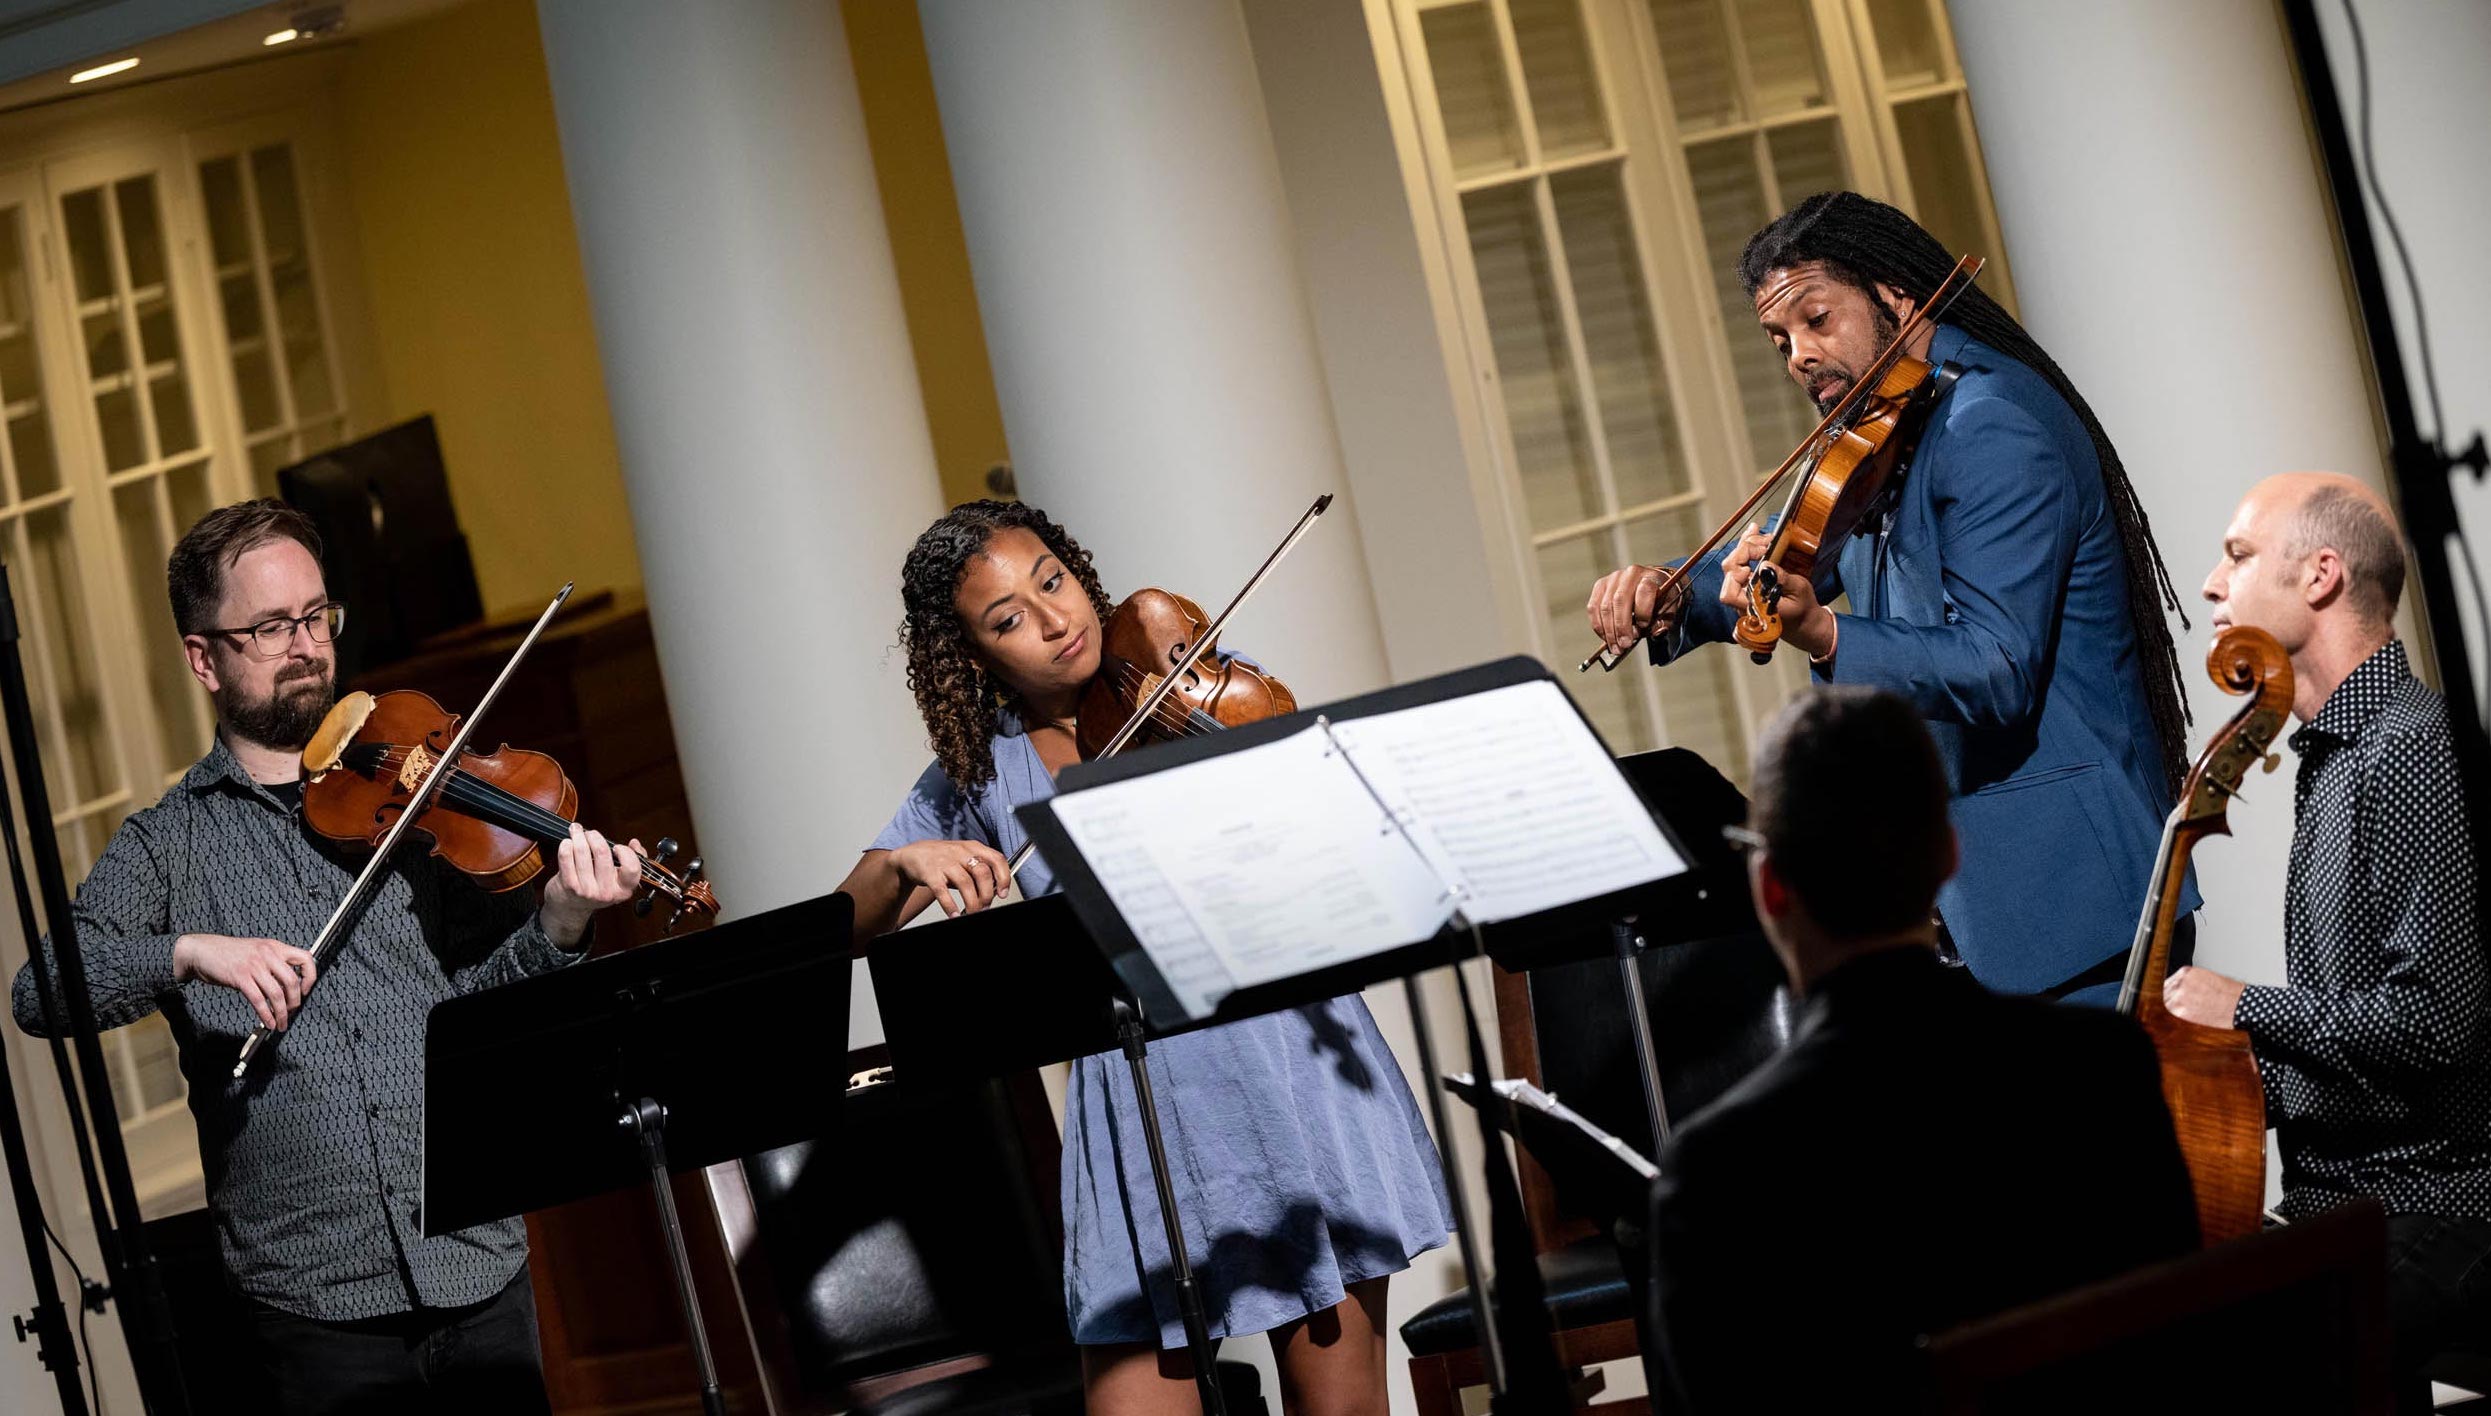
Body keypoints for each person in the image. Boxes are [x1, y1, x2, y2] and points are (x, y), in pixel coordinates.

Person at [10, 500, 647, 1412]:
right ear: (204, 659)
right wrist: (187, 951)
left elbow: (486, 999)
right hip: (311, 1302)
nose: (305, 645)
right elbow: (43, 993)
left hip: (470, 1260)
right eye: (270, 627)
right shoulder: (167, 847)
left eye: (315, 617)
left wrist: (560, 925)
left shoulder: (420, 798)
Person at [837, 500, 1453, 1416]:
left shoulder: (1182, 698)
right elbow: (845, 921)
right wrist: (902, 862)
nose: (1055, 619)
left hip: (1287, 1071)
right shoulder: (979, 768)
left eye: (1052, 580)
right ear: (972, 657)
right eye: (1008, 619)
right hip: (1136, 1114)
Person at [1584, 191, 2196, 1003]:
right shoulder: (1894, 422)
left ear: (1895, 295)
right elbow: (1797, 543)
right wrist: (1674, 594)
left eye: (1816, 319)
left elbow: (1994, 667)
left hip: (2074, 903)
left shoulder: (1988, 427)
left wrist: (1824, 635)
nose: (1798, 354)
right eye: (1779, 340)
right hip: (1991, 903)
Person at [1643, 686, 2199, 1413]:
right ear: (1948, 855)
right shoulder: (2101, 1068)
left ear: (1770, 889)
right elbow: (2179, 1347)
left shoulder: (1716, 1171)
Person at [2172, 471, 2490, 1411]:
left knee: (2263, 1341)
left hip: (2439, 1199)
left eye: (2236, 556)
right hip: (2355, 1199)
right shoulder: (2337, 760)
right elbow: (2365, 1038)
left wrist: (2242, 1010)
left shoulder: (2409, 750)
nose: (2210, 585)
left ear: (2319, 576)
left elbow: (2433, 1025)